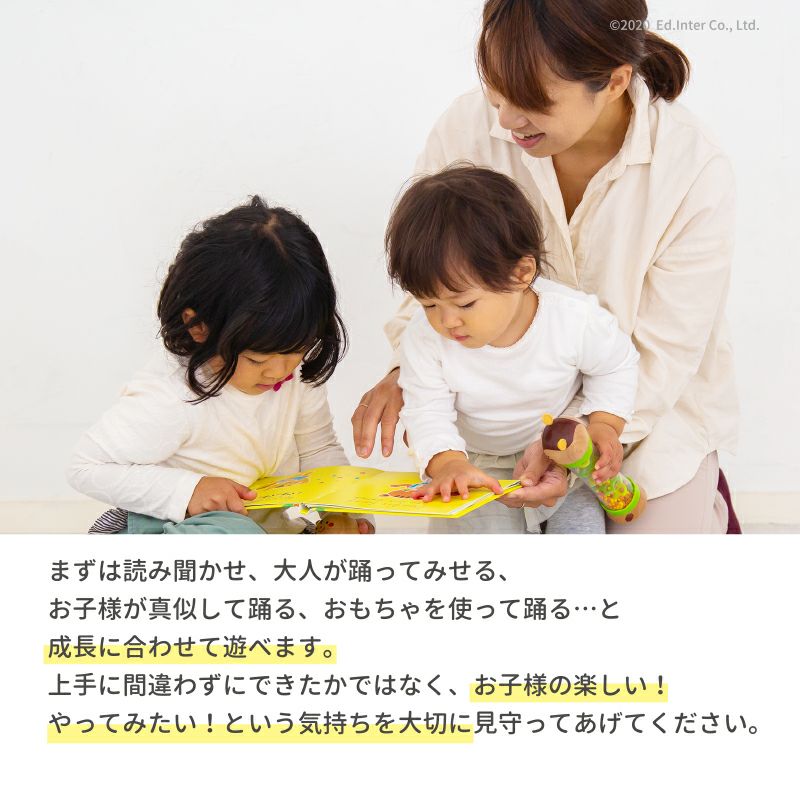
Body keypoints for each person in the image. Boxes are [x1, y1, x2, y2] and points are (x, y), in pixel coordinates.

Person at [353, 0, 737, 533]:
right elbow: (430, 271)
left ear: (615, 81)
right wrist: (408, 370)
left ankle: (706, 503)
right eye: (496, 91)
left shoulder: (692, 166)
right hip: (495, 433)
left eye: (532, 101)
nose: (506, 120)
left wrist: (579, 435)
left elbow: (665, 352)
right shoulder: (466, 128)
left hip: (639, 415)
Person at [68, 196, 372, 534]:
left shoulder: (293, 373)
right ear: (199, 327)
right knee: (235, 534)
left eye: (298, 350)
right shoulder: (172, 397)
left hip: (263, 522)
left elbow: (318, 449)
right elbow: (85, 466)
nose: (279, 372)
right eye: (257, 359)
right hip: (175, 523)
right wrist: (190, 490)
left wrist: (345, 513)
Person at [388, 165, 639, 533]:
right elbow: (426, 411)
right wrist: (448, 464)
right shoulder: (424, 338)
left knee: (580, 530)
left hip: (558, 451)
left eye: (465, 304)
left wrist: (604, 423)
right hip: (474, 460)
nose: (447, 321)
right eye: (428, 304)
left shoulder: (572, 318)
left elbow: (616, 365)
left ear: (521, 274)